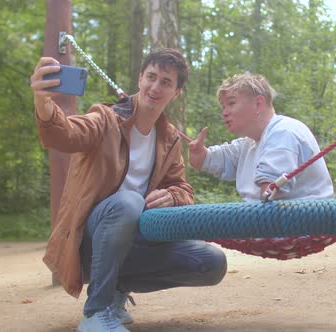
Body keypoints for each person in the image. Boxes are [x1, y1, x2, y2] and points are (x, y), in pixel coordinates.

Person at [30, 49, 227, 332]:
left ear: (176, 92)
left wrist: (172, 196)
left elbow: (183, 189)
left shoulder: (169, 138)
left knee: (210, 262)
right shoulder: (106, 118)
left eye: (166, 82)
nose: (155, 87)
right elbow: (64, 133)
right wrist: (43, 101)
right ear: (140, 78)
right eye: (151, 77)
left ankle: (117, 290)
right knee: (128, 203)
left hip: (131, 246)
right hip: (86, 246)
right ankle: (95, 313)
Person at [188, 73, 334, 202]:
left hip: (305, 229)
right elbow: (214, 159)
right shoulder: (248, 144)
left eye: (231, 103)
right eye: (223, 107)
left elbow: (269, 194)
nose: (224, 113)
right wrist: (200, 154)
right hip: (275, 228)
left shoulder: (283, 132)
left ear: (258, 103)